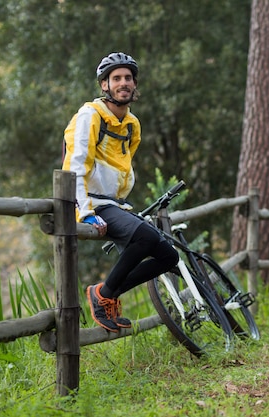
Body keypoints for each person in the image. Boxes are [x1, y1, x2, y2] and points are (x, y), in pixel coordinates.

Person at [62, 52, 179, 332]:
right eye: (116, 78)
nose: (123, 83)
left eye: (128, 78)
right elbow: (75, 165)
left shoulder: (131, 124)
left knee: (169, 257)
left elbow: (121, 167)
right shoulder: (90, 115)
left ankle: (106, 291)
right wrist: (86, 212)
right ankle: (103, 296)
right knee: (146, 236)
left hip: (114, 204)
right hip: (87, 202)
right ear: (105, 85)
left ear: (134, 84)